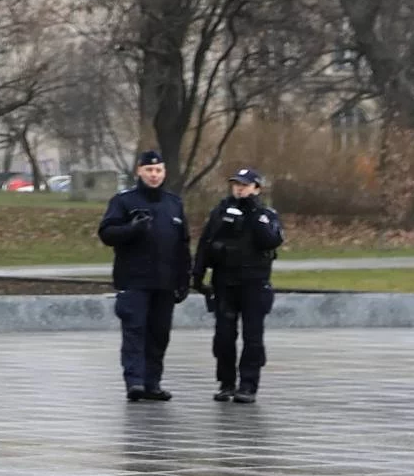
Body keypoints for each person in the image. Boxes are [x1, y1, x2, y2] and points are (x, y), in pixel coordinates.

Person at [96, 148, 190, 402]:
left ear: (164, 172)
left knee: (159, 334)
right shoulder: (124, 201)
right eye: (149, 170)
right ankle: (134, 382)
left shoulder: (174, 203)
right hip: (134, 280)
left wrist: (184, 279)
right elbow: (107, 233)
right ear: (139, 171)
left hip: (164, 282)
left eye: (158, 170)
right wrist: (131, 229)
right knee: (135, 331)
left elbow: (182, 245)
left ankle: (152, 383)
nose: (154, 175)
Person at [192, 166, 284, 404]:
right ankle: (226, 383)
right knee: (223, 337)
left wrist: (254, 214)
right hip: (225, 283)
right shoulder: (221, 211)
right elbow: (206, 243)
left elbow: (271, 240)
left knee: (253, 337)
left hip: (254, 284)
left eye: (245, 185)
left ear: (256, 188)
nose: (239, 189)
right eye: (236, 184)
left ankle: (248, 385)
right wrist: (197, 274)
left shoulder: (265, 214)